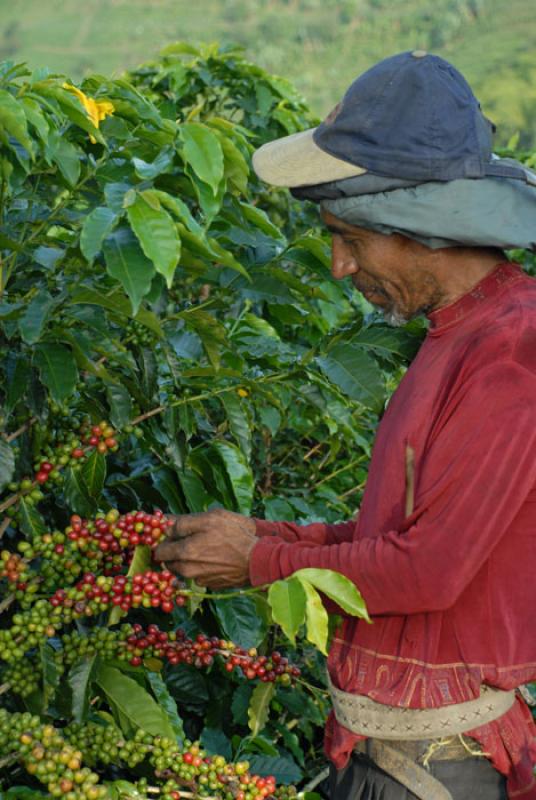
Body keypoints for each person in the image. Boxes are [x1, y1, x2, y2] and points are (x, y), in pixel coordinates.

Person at [155, 52, 536, 800]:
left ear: (420, 228)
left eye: (351, 239)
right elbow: (393, 538)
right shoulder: (458, 335)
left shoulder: (511, 353)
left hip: (438, 769)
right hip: (391, 754)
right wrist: (260, 537)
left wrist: (260, 565)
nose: (337, 265)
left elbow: (427, 569)